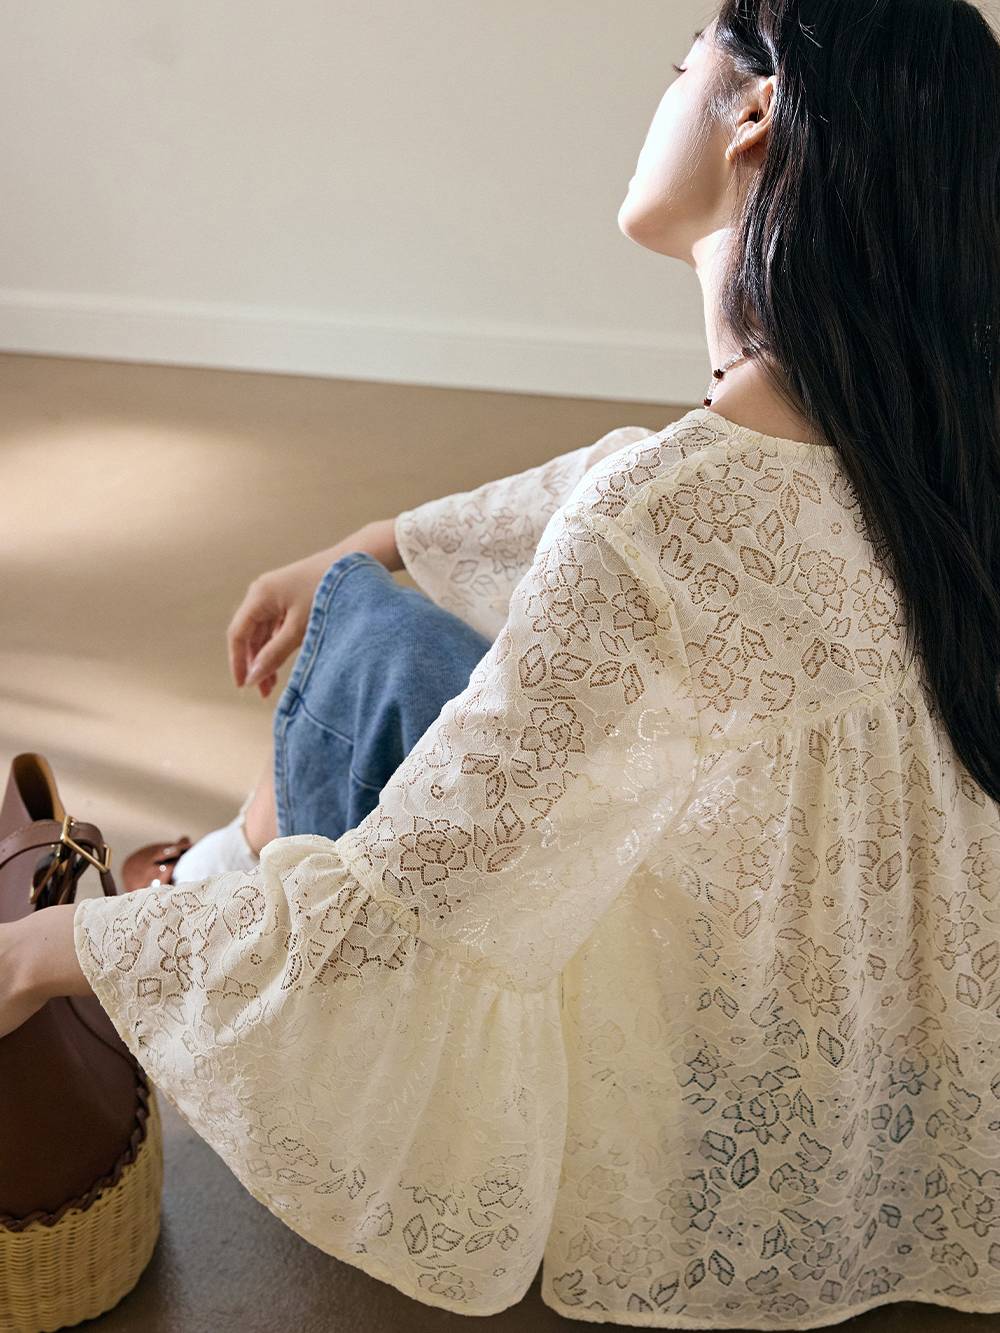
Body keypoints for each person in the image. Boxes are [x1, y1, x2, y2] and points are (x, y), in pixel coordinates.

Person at [3, 0, 1000, 1324]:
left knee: (369, 642)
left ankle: (198, 874)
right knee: (387, 604)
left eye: (679, 66)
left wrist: (46, 958)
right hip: (866, 1085)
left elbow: (396, 897)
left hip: (683, 1102)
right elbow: (622, 478)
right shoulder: (936, 452)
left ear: (753, 112)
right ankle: (209, 862)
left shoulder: (661, 515)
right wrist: (384, 532)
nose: (662, 96)